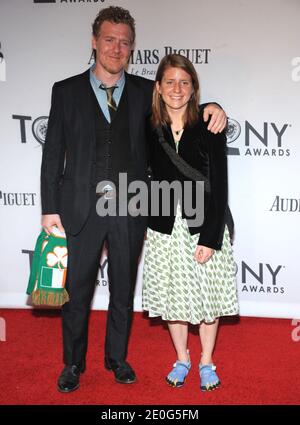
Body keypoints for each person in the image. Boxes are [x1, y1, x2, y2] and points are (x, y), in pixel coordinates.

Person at [41, 6, 227, 393]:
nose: (117, 48)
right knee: (77, 293)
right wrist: (49, 207)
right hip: (78, 208)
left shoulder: (147, 91)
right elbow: (52, 151)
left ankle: (117, 359)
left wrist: (215, 107)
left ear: (132, 47)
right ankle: (73, 364)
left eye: (125, 42)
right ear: (94, 42)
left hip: (131, 208)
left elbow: (184, 110)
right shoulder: (65, 90)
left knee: (123, 291)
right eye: (109, 39)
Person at [143, 54, 238, 391]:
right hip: (165, 227)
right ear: (158, 86)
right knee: (174, 302)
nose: (177, 89)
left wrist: (211, 237)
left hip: (204, 226)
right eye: (169, 81)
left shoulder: (209, 124)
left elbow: (221, 183)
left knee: (208, 300)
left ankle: (207, 360)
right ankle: (182, 358)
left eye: (184, 82)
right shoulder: (149, 127)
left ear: (194, 87)